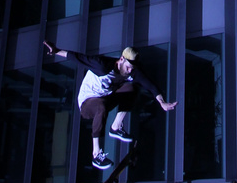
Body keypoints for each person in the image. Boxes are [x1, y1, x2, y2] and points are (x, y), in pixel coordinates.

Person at [43, 41, 177, 170]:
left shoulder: (134, 71)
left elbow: (150, 85)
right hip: (87, 104)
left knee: (132, 88)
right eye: (128, 67)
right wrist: (56, 51)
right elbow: (78, 57)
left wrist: (162, 102)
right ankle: (96, 154)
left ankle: (116, 127)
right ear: (121, 59)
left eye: (132, 68)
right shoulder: (102, 65)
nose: (130, 71)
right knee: (100, 105)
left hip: (106, 98)